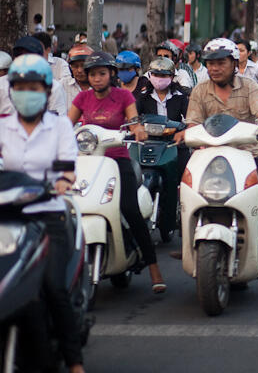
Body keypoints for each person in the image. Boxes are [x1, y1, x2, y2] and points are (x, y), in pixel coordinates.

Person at [175, 38, 258, 298]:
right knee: (185, 195)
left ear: (234, 64)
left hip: (247, 156)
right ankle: (188, 240)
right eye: (210, 63)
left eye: (220, 63)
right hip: (208, 156)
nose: (214, 68)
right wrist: (187, 133)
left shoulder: (249, 87)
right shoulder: (200, 91)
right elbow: (192, 122)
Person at [0, 55, 85, 372]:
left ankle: (74, 360)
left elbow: (67, 168)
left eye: (33, 87)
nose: (27, 92)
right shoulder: (3, 127)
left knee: (50, 287)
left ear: (46, 90)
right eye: (20, 87)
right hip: (8, 219)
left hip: (48, 216)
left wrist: (61, 183)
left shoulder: (60, 126)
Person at [67, 52, 166, 293]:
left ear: (111, 74)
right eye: (92, 74)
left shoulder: (123, 96)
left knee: (129, 209)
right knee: (71, 208)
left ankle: (154, 268)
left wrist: (138, 129)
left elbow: (133, 121)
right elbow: (64, 126)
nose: (97, 78)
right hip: (88, 162)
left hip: (118, 161)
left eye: (101, 73)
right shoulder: (82, 98)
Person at [135, 57, 191, 238]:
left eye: (164, 75)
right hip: (148, 144)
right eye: (156, 74)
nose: (160, 78)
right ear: (150, 76)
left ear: (172, 77)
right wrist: (135, 129)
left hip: (174, 145)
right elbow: (133, 120)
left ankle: (183, 217)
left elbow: (190, 120)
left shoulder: (181, 98)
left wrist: (183, 131)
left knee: (185, 179)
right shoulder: (142, 97)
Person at [0, 36, 67, 115]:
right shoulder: (1, 84)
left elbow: (58, 121)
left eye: (29, 56)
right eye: (18, 55)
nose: (23, 59)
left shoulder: (54, 88)